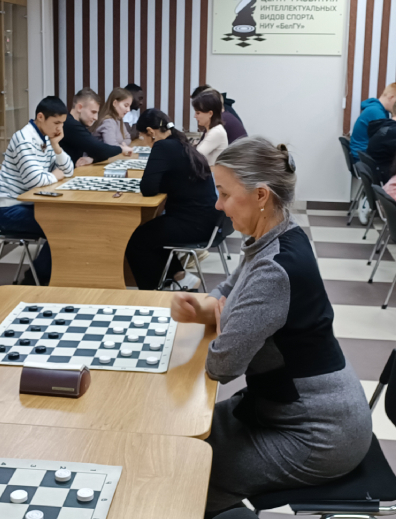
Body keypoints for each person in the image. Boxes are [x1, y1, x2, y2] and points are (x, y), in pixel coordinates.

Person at [170, 137, 372, 516]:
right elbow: (228, 292)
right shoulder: (274, 236)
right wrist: (205, 309)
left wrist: (225, 319)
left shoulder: (274, 269)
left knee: (190, 473)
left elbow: (222, 366)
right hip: (285, 407)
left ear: (261, 195)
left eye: (224, 194)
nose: (217, 205)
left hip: (318, 436)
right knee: (177, 437)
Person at [126, 109, 220, 291]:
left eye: (143, 137)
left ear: (150, 132)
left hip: (193, 224)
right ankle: (180, 277)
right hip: (207, 219)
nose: (145, 142)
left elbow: (148, 188)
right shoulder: (180, 142)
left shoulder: (163, 146)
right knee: (151, 232)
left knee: (137, 240)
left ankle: (150, 294)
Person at [0, 95, 75, 284]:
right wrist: (55, 176)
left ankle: (45, 275)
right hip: (9, 210)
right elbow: (35, 181)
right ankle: (36, 278)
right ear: (40, 117)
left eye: (62, 123)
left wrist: (56, 145)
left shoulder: (46, 137)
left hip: (28, 204)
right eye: (56, 123)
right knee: (61, 226)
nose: (59, 129)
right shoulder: (24, 139)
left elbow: (68, 170)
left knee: (69, 220)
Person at [60, 88, 132, 164]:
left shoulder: (77, 123)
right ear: (79, 108)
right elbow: (99, 149)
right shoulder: (70, 124)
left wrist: (93, 159)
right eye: (93, 112)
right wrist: (121, 149)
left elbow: (95, 151)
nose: (96, 118)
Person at [349, 82, 396, 162]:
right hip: (363, 156)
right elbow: (386, 138)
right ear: (391, 97)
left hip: (361, 153)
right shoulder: (376, 112)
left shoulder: (377, 109)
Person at [193, 89, 229, 165]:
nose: (195, 116)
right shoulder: (212, 130)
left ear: (210, 113)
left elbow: (195, 156)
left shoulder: (216, 132)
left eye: (198, 113)